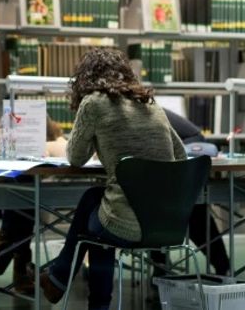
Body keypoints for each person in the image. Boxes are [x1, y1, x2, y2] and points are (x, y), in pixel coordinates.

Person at [36, 48, 189, 310]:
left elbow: (75, 158)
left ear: (86, 77)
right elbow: (181, 156)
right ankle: (61, 278)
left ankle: (65, 279)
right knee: (96, 202)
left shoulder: (94, 103)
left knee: (97, 220)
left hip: (125, 224)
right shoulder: (151, 104)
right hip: (166, 222)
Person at [0, 116, 68, 295]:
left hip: (31, 194)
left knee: (24, 194)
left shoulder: (53, 134)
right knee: (23, 189)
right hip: (3, 193)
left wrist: (45, 147)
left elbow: (64, 147)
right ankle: (20, 269)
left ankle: (3, 250)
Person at [151, 109, 231, 277]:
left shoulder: (148, 111)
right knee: (189, 209)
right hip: (152, 184)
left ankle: (222, 266)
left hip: (178, 164)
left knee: (193, 208)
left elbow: (193, 136)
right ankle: (160, 264)